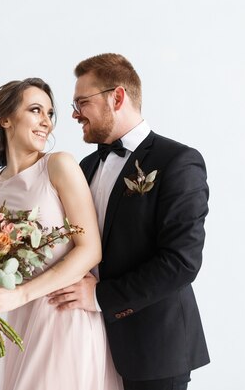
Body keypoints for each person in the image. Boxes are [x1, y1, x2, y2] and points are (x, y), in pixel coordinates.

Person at [47, 53, 210, 390]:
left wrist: (101, 297)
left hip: (153, 349)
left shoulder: (178, 161)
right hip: (87, 345)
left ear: (116, 97)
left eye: (82, 102)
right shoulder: (85, 167)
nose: (75, 113)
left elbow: (181, 262)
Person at [0, 78, 123, 390]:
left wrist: (21, 294)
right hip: (18, 319)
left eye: (49, 113)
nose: (46, 122)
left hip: (63, 315)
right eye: (36, 110)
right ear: (6, 118)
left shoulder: (59, 166)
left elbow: (90, 249)